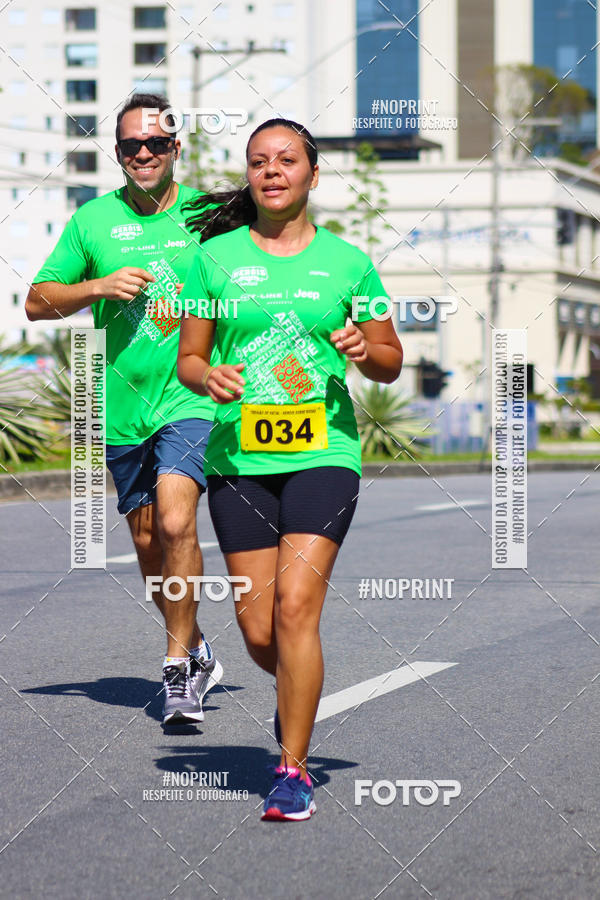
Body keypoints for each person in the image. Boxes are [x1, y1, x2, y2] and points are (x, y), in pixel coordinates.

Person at [177, 118, 403, 820]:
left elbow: (393, 361)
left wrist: (366, 346)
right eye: (258, 162)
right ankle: (298, 691)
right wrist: (206, 376)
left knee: (298, 610)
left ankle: (293, 769)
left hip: (323, 456)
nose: (272, 171)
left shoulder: (349, 262)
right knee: (260, 633)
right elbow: (189, 359)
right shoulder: (211, 261)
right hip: (238, 461)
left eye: (286, 160)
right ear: (249, 176)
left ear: (311, 173)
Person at [25, 93, 222, 726]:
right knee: (144, 541)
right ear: (117, 153)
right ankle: (194, 647)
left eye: (156, 144)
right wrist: (97, 287)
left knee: (173, 523)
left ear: (175, 149)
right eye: (131, 145)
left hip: (188, 396)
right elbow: (36, 302)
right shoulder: (92, 222)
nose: (143, 153)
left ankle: (177, 677)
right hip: (118, 408)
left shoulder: (209, 214)